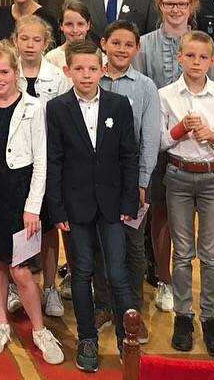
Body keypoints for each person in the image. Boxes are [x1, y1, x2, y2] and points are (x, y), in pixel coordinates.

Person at [46, 40, 138, 373]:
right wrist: (57, 209)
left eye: (92, 68)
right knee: (82, 272)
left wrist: (130, 200)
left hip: (113, 204)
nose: (86, 75)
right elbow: (54, 161)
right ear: (67, 71)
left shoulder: (118, 105)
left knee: (117, 273)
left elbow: (129, 155)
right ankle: (88, 338)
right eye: (79, 69)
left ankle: (129, 339)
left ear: (102, 69)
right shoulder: (57, 109)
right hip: (75, 206)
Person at [133, 0, 214, 314]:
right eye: (169, 4)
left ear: (191, 7)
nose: (175, 10)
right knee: (161, 213)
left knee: (193, 223)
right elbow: (142, 92)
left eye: (181, 4)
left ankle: (193, 283)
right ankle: (164, 278)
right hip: (158, 142)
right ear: (160, 6)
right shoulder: (145, 44)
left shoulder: (204, 45)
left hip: (199, 144)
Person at [0, 43, 63, 364]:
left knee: (21, 270)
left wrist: (33, 207)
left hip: (20, 197)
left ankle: (39, 329)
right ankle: (1, 323)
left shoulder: (35, 108)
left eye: (4, 72)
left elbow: (41, 162)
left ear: (16, 73)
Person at [159, 30, 214, 358]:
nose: (195, 62)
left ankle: (211, 317)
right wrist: (179, 131)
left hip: (212, 180)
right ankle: (184, 316)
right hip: (178, 175)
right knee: (182, 253)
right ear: (179, 57)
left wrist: (213, 136)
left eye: (202, 57)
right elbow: (160, 142)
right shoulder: (166, 95)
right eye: (189, 56)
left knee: (211, 254)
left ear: (212, 61)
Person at [91, 20, 161, 341]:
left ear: (137, 48)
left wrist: (142, 181)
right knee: (99, 244)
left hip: (130, 179)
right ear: (104, 44)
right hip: (95, 179)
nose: (121, 49)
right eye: (115, 43)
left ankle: (131, 311)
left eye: (128, 44)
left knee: (133, 247)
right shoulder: (92, 78)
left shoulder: (145, 87)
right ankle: (103, 303)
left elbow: (149, 137)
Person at [11, 15, 72, 320]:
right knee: (18, 224)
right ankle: (16, 285)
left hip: (48, 160)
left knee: (48, 226)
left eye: (37, 40)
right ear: (15, 41)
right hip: (17, 160)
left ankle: (49, 287)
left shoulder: (57, 77)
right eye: (25, 39)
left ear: (46, 43)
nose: (31, 45)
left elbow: (62, 118)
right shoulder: (10, 73)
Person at [44, 0, 94, 71]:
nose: (75, 30)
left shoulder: (98, 56)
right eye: (69, 24)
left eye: (80, 24)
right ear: (61, 26)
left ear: (88, 25)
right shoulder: (51, 58)